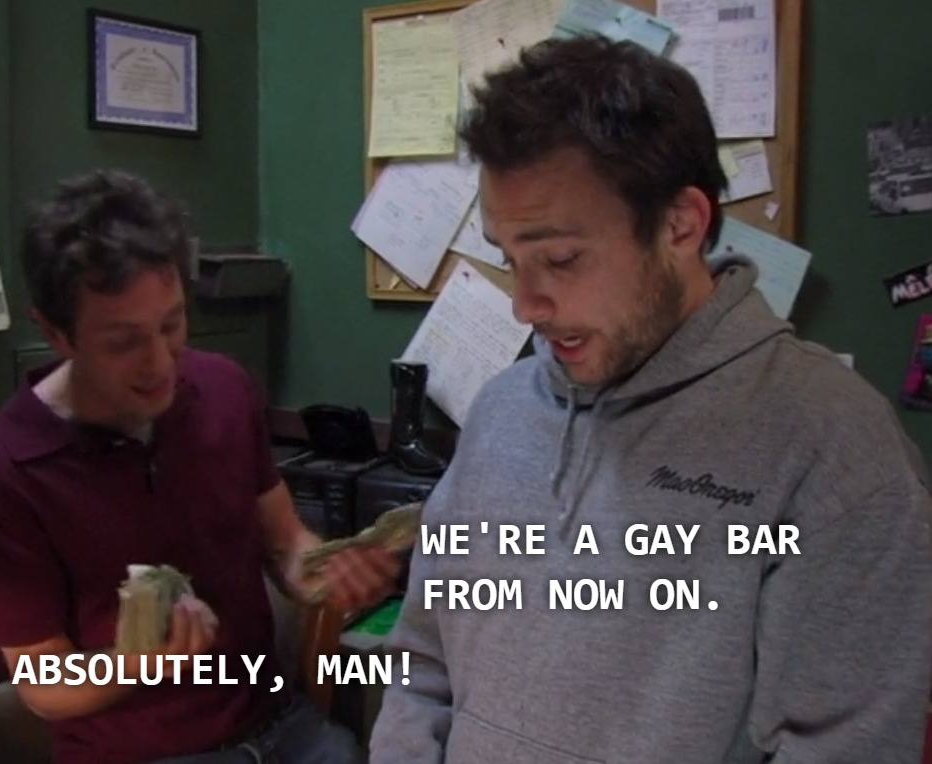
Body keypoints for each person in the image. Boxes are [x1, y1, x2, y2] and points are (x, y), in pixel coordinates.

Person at [369, 34, 932, 764]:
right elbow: (421, 663)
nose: (525, 306)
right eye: (510, 259)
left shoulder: (835, 448)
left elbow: (843, 747)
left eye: (560, 259)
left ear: (680, 224)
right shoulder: (500, 411)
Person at [0, 169, 401, 764]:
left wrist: (324, 573)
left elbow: (285, 541)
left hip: (279, 725)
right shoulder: (1, 474)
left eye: (171, 324)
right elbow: (43, 686)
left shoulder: (224, 388)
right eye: (124, 341)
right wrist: (136, 664)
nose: (160, 362)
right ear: (56, 333)